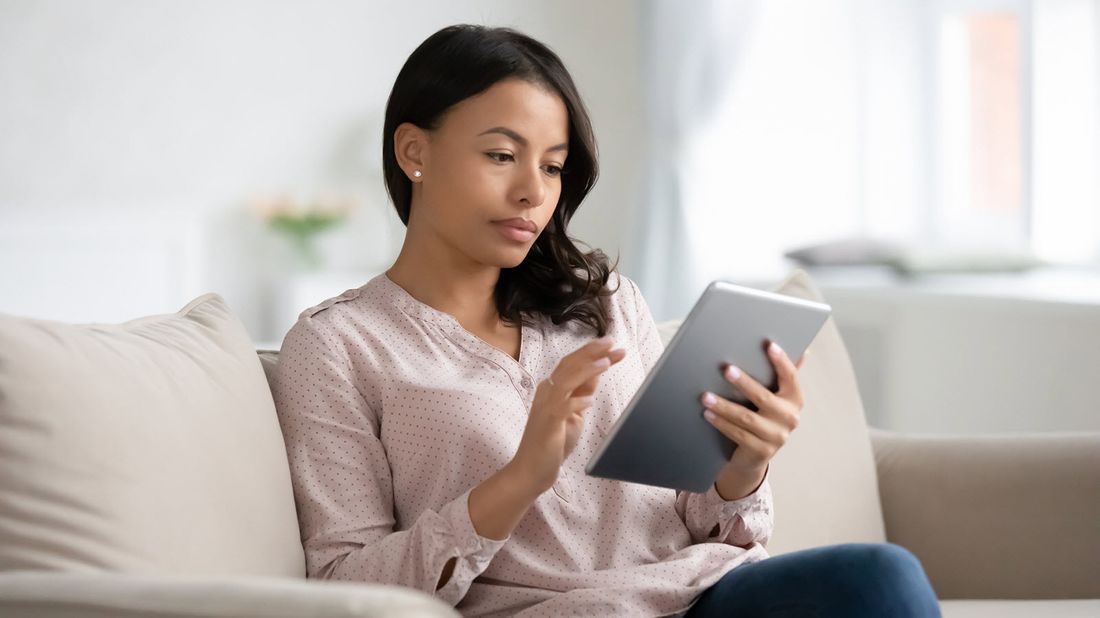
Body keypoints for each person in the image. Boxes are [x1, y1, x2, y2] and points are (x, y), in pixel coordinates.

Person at [270, 24, 941, 617]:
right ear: (414, 151)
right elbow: (344, 587)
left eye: (554, 166)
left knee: (880, 576)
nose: (534, 190)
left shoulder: (606, 301)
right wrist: (517, 481)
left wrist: (744, 464)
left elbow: (707, 522)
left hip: (703, 595)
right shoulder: (337, 346)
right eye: (501, 156)